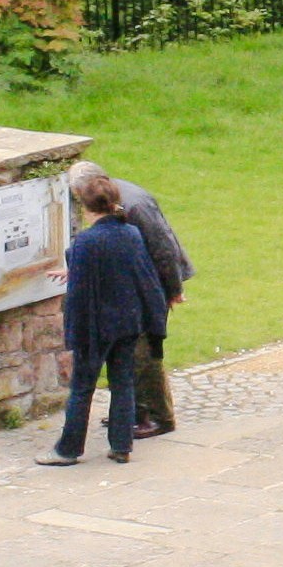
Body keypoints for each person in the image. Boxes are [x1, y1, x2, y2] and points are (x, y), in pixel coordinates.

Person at [44, 172, 168, 466]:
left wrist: (72, 333)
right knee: (123, 383)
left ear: (87, 208)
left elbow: (80, 293)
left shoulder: (87, 240)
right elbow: (132, 272)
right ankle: (121, 445)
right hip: (127, 322)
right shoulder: (130, 233)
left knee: (83, 386)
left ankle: (68, 449)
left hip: (96, 327)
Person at [76, 162, 192, 438]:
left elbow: (163, 247)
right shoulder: (114, 198)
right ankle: (132, 412)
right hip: (135, 286)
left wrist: (173, 289)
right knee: (129, 352)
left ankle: (160, 417)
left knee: (145, 353)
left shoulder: (133, 205)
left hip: (151, 286)